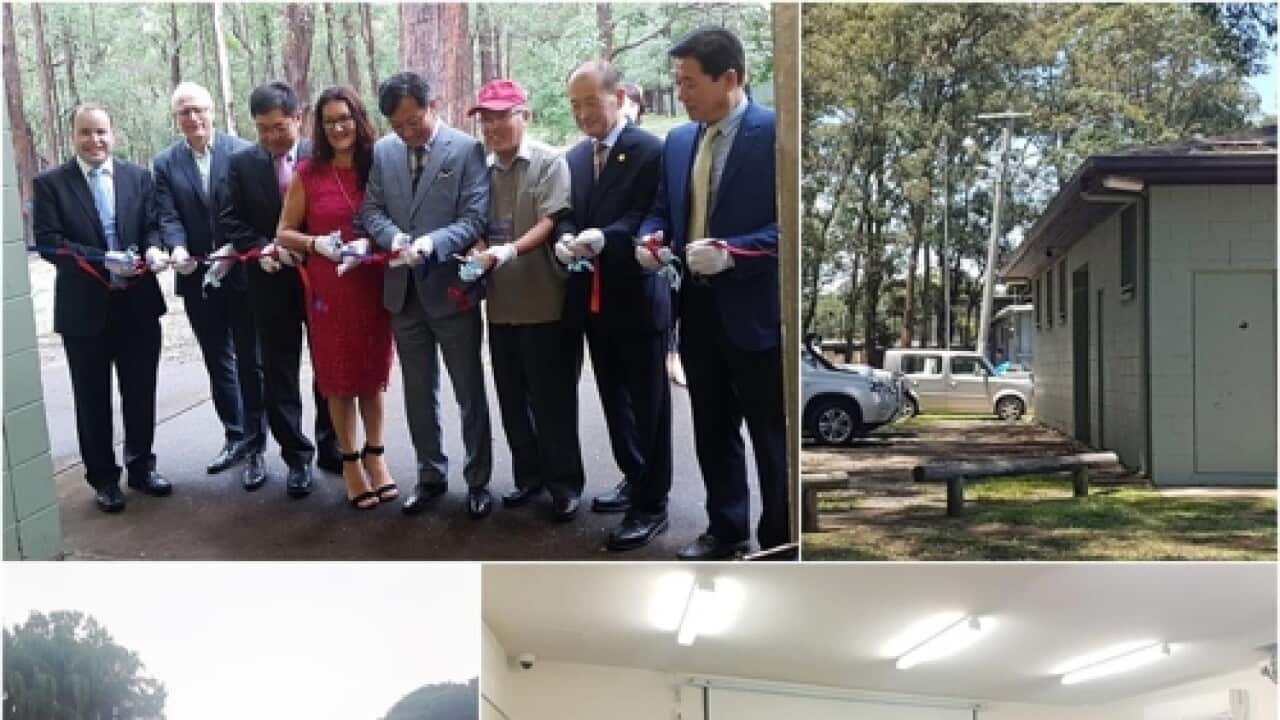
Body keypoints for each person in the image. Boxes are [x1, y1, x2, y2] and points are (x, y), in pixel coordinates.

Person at [636, 26, 788, 559]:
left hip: (755, 313)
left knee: (771, 437)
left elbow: (789, 228)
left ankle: (780, 541)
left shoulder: (776, 134)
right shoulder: (679, 141)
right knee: (712, 427)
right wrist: (649, 238)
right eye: (677, 83)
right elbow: (661, 208)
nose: (681, 94)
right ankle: (726, 530)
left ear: (730, 78)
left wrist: (734, 250)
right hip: (695, 310)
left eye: (689, 83)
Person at [358, 71, 494, 519]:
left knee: (468, 390)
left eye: (414, 121)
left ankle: (478, 480)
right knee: (418, 392)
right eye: (399, 127)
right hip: (404, 293)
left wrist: (432, 243)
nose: (408, 133)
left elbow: (475, 218)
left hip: (451, 288)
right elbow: (371, 210)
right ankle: (430, 474)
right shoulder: (383, 153)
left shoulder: (466, 148)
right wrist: (394, 238)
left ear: (432, 105)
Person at [32, 103, 171, 513]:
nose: (95, 140)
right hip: (83, 311)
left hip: (138, 305)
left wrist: (152, 247)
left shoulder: (138, 177)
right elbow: (49, 242)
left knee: (140, 391)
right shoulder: (51, 184)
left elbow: (153, 224)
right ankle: (104, 479)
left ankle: (142, 467)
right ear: (73, 136)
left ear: (113, 134)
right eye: (86, 133)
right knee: (92, 398)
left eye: (102, 132)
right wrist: (101, 259)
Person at [555, 60, 670, 551]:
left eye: (591, 102)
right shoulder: (577, 157)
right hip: (592, 300)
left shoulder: (651, 150)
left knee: (650, 406)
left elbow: (650, 214)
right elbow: (565, 214)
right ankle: (633, 474)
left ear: (618, 97)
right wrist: (562, 239)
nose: (583, 113)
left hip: (638, 298)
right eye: (575, 105)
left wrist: (610, 236)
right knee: (613, 400)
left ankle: (654, 503)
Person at [463, 78, 584, 522]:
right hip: (500, 305)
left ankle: (565, 484)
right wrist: (479, 250)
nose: (492, 128)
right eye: (486, 120)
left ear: (524, 117)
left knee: (552, 401)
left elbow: (552, 219)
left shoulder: (550, 162)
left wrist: (510, 249)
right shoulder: (480, 167)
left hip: (544, 301)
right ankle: (528, 478)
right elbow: (473, 217)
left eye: (501, 117)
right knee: (512, 399)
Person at [275, 86, 397, 510]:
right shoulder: (308, 172)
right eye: (329, 121)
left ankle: (376, 457)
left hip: (371, 285)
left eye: (345, 118)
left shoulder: (379, 163)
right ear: (320, 128)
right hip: (329, 288)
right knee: (339, 377)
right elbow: (284, 232)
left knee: (372, 373)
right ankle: (349, 462)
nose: (339, 127)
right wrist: (315, 245)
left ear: (358, 119)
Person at [220, 81, 342, 498]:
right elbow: (231, 220)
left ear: (298, 118)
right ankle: (296, 457)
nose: (272, 136)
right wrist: (262, 248)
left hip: (321, 280)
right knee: (279, 371)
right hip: (269, 282)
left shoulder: (321, 156)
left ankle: (332, 444)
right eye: (262, 128)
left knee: (327, 365)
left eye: (279, 126)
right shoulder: (241, 165)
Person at [153, 81, 267, 488]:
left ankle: (257, 446)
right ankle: (234, 437)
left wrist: (234, 248)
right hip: (196, 279)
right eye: (184, 111)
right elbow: (166, 214)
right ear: (176, 118)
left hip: (242, 275)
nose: (193, 118)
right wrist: (178, 248)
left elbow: (255, 212)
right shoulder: (165, 163)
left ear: (213, 110)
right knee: (217, 361)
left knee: (251, 364)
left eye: (199, 109)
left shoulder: (242, 152)